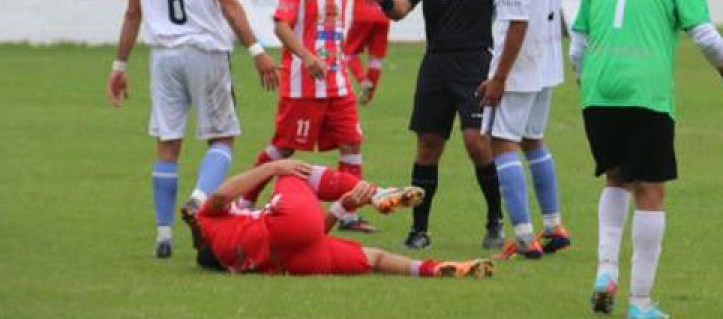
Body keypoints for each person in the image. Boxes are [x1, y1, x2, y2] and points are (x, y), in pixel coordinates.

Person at [570, 0, 723, 319]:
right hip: (645, 94)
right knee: (651, 191)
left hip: (597, 92)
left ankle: (605, 273)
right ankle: (639, 303)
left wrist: (591, 83)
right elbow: (705, 36)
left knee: (616, 177)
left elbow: (577, 46)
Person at [106, 0, 279, 259]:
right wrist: (256, 50)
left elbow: (133, 13)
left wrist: (120, 65)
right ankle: (199, 200)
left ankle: (164, 234)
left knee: (168, 144)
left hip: (163, 57)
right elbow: (229, 3)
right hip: (206, 52)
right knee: (222, 138)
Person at [369, 0, 504, 251]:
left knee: (477, 143)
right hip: (436, 66)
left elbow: (513, 12)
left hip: (475, 64)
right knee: (428, 147)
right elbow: (401, 10)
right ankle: (419, 229)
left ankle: (495, 220)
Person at [244, 0, 374, 233]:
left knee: (352, 143)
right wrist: (305, 56)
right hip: (303, 86)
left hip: (338, 85)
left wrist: (354, 72)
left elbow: (339, 38)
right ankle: (245, 200)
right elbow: (281, 25)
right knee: (283, 148)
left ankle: (348, 212)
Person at [181, 158, 495, 279]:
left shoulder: (231, 253)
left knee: (374, 258)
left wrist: (341, 208)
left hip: (292, 260)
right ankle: (377, 193)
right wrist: (273, 167)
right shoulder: (210, 220)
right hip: (286, 228)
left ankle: (433, 269)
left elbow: (307, 235)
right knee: (295, 172)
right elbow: (221, 196)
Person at [477, 0, 569, 259]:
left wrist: (499, 77)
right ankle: (554, 226)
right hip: (548, 58)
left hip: (520, 61)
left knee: (502, 143)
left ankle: (525, 237)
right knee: (533, 140)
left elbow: (517, 21)